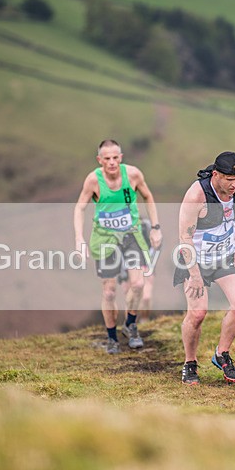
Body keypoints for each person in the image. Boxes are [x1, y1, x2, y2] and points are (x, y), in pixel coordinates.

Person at [74, 139, 162, 354]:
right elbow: (80, 208)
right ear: (99, 160)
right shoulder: (93, 180)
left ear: (121, 158)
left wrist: (155, 227)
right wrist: (79, 239)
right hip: (104, 238)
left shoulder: (132, 174)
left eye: (115, 158)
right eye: (107, 159)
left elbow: (148, 196)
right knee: (110, 291)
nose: (112, 162)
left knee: (138, 284)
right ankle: (112, 337)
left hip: (131, 235)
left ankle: (130, 325)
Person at [174, 151, 235, 385]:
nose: (234, 185)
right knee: (197, 314)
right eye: (229, 180)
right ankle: (190, 363)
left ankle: (222, 354)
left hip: (225, 255)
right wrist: (195, 275)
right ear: (216, 175)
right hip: (194, 259)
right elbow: (184, 239)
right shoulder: (197, 195)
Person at [118, 218, 158, 322]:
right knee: (129, 295)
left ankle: (144, 320)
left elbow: (154, 249)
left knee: (146, 297)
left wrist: (149, 266)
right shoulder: (123, 235)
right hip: (126, 267)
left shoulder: (148, 231)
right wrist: (123, 273)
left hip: (146, 264)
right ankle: (130, 324)